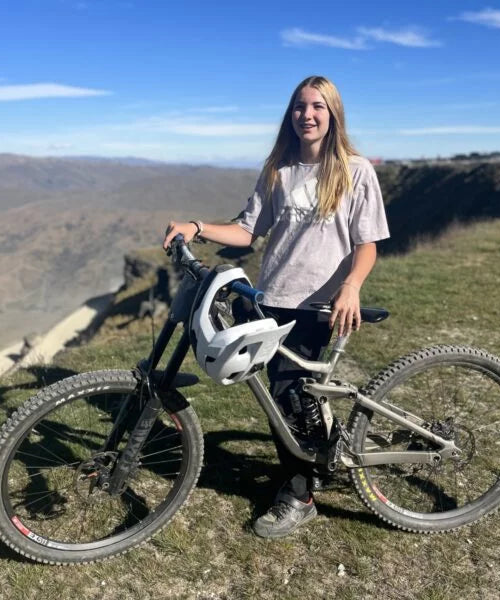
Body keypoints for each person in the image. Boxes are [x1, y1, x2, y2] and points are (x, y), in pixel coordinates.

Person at [163, 75, 389, 538]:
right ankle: (322, 452)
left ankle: (301, 494)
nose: (307, 115)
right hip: (271, 300)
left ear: (333, 114)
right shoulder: (278, 170)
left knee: (289, 394)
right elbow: (248, 231)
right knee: (283, 396)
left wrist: (352, 286)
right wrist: (197, 226)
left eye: (317, 107)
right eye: (299, 107)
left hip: (319, 305)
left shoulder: (354, 169)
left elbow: (368, 244)